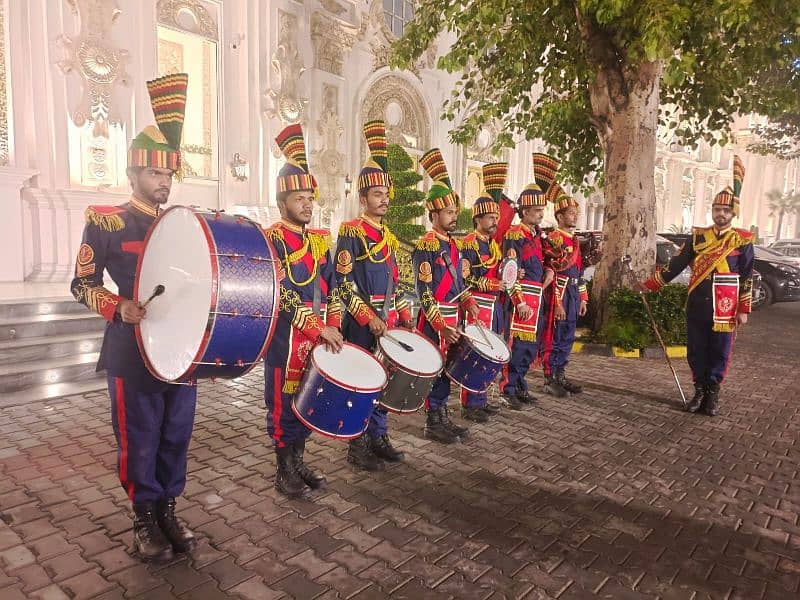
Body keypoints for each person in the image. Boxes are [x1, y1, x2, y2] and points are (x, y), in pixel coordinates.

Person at [70, 73, 196, 562]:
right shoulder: (107, 220)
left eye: (169, 176)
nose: (164, 183)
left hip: (182, 350)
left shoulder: (184, 227)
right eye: (155, 175)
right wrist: (116, 306)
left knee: (175, 436)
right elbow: (80, 284)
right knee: (139, 439)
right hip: (131, 349)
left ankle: (168, 509)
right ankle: (144, 518)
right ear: (134, 173)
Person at [635, 156, 753, 416]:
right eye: (716, 210)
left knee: (719, 350)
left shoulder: (742, 241)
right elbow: (674, 266)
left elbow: (746, 276)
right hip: (698, 302)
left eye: (725, 211)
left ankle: (712, 394)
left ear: (733, 213)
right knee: (697, 349)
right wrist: (650, 285)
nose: (720, 214)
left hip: (725, 306)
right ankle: (698, 391)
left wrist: (743, 308)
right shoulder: (699, 237)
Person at [264, 124, 345, 499]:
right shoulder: (272, 239)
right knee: (282, 407)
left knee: (309, 402)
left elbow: (331, 289)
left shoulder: (318, 240)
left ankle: (299, 460)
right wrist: (317, 328)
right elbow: (280, 293)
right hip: (286, 340)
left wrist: (332, 324)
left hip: (318, 339)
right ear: (282, 203)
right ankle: (284, 468)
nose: (307, 205)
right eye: (299, 199)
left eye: (310, 198)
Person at [335, 119, 414, 470]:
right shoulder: (351, 231)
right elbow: (344, 283)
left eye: (386, 194)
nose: (384, 200)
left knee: (384, 378)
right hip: (362, 323)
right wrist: (369, 318)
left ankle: (379, 436)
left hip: (388, 323)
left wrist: (404, 316)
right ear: (363, 197)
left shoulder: (390, 237)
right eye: (377, 194)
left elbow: (394, 283)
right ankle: (357, 444)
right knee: (361, 383)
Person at [412, 148, 480, 443]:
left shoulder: (455, 245)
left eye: (455, 211)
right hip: (435, 320)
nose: (454, 217)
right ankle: (432, 421)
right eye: (449, 212)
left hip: (454, 317)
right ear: (433, 214)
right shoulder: (426, 245)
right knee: (434, 369)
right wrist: (440, 324)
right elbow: (424, 292)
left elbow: (459, 282)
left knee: (448, 369)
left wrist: (468, 299)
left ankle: (442, 415)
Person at [458, 162, 524, 422]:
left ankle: (481, 397)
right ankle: (469, 403)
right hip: (477, 306)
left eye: (497, 217)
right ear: (478, 219)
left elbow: (502, 277)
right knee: (475, 353)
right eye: (490, 218)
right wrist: (491, 285)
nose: (495, 221)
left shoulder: (495, 247)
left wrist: (512, 282)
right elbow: (463, 279)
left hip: (495, 307)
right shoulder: (468, 244)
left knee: (492, 352)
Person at [499, 153, 555, 408]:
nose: (540, 214)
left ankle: (520, 383)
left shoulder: (538, 235)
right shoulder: (515, 234)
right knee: (517, 345)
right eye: (536, 210)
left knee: (530, 347)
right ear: (525, 211)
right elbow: (510, 271)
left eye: (542, 210)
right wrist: (518, 300)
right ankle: (508, 388)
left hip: (537, 297)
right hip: (522, 300)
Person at [538, 178, 589, 398]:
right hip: (559, 294)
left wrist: (584, 298)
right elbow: (553, 272)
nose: (574, 217)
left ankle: (561, 374)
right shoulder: (553, 239)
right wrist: (557, 302)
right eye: (570, 213)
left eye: (575, 213)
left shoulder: (575, 241)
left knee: (568, 337)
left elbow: (578, 273)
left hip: (573, 294)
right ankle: (550, 377)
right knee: (555, 337)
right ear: (559, 216)